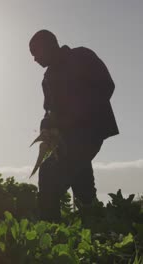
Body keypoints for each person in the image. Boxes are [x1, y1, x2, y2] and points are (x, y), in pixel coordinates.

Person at [29, 30, 119, 221]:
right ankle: (95, 225)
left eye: (36, 53)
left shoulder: (81, 56)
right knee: (81, 181)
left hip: (90, 132)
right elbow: (49, 110)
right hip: (66, 139)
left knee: (48, 175)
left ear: (49, 45)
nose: (35, 59)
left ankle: (50, 232)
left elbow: (106, 85)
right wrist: (46, 125)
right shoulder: (47, 79)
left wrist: (73, 116)